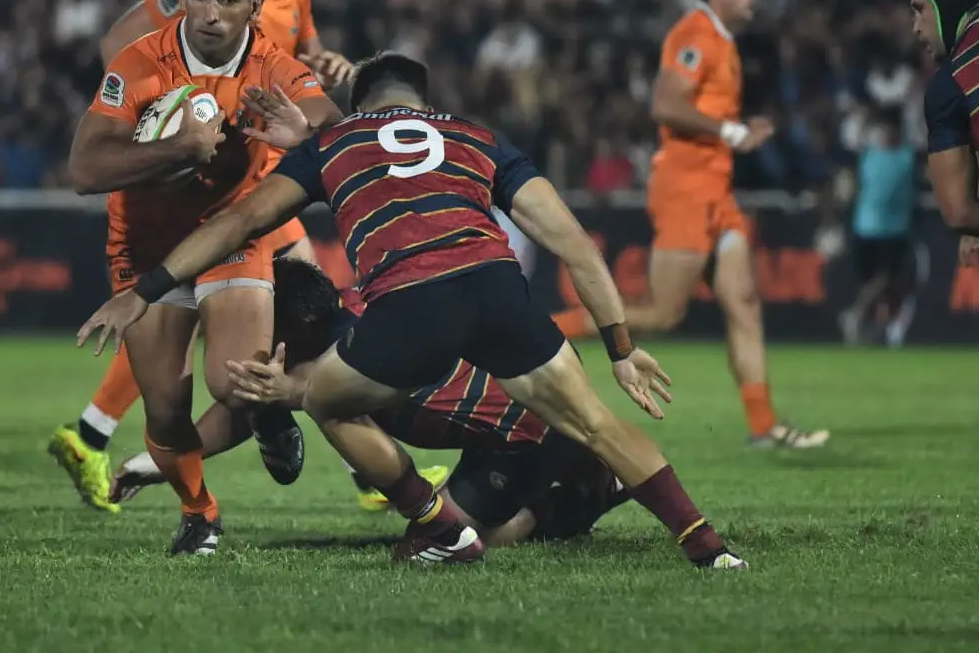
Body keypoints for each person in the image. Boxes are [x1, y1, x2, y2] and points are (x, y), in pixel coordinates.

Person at [79, 52, 747, 570]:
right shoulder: (476, 138)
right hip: (495, 286)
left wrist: (150, 283)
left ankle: (441, 528)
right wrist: (622, 348)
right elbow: (574, 243)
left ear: (357, 104)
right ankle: (710, 549)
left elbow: (243, 220)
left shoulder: (336, 144)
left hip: (412, 301)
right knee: (600, 421)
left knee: (326, 401)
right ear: (421, 102)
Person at [54, 0, 444, 513]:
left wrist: (326, 73)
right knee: (267, 331)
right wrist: (162, 110)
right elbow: (123, 47)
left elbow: (307, 74)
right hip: (185, 188)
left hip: (255, 186)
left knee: (303, 314)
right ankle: (323, 441)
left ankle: (335, 448)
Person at [65, 0, 341, 552]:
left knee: (238, 382)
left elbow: (329, 120)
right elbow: (84, 171)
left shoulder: (270, 65)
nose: (211, 13)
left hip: (230, 234)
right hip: (143, 245)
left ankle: (267, 414)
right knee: (164, 410)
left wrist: (307, 132)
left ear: (254, 5)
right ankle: (200, 512)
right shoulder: (140, 64)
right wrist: (179, 149)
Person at [112, 257, 630, 547]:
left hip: (527, 433)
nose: (259, 336)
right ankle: (592, 467)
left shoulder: (340, 361)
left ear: (300, 324)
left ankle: (581, 497)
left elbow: (255, 409)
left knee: (473, 537)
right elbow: (240, 413)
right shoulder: (342, 317)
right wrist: (161, 464)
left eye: (268, 323)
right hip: (524, 406)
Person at [623, 0, 828, 449]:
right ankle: (542, 326)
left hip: (716, 191)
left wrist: (734, 135)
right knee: (663, 315)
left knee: (743, 301)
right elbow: (667, 105)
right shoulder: (694, 34)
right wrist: (733, 133)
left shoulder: (724, 41)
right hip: (686, 187)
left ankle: (764, 426)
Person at [908, 0, 979, 267]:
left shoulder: (952, 82)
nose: (916, 27)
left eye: (920, 8)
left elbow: (959, 210)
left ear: (949, 2)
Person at [839, 110, 918, 345]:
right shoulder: (867, 156)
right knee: (871, 281)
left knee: (887, 278)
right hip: (865, 227)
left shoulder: (907, 157)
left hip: (895, 229)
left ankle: (855, 315)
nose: (884, 134)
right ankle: (870, 325)